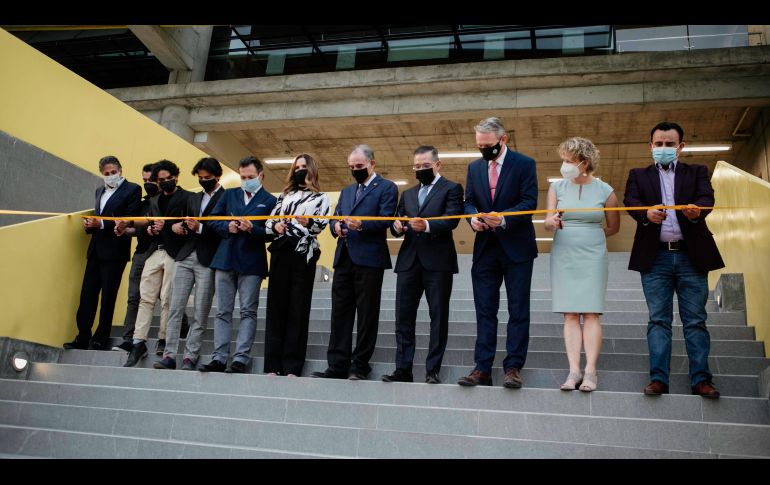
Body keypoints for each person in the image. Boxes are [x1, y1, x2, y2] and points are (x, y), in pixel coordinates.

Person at [624, 121, 725, 398]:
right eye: (659, 144)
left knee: (695, 321)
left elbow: (707, 198)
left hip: (692, 257)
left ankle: (701, 380)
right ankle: (658, 379)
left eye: (670, 144)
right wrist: (646, 213)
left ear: (681, 147)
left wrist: (697, 212)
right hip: (654, 258)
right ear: (651, 146)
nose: (664, 149)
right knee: (658, 320)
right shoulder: (637, 175)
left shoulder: (697, 172)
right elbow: (631, 202)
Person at [458, 117, 538, 388]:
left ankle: (513, 367)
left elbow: (529, 201)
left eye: (488, 145)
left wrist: (502, 218)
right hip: (485, 249)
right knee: (485, 310)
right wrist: (473, 219)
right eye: (479, 145)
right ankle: (482, 368)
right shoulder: (474, 167)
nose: (483, 150)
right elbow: (468, 202)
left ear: (503, 140)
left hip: (517, 247)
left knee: (518, 310)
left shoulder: (525, 164)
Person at [311, 145, 398, 380]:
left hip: (370, 259)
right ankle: (337, 364)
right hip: (344, 258)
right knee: (340, 313)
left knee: (367, 314)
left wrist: (362, 225)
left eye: (359, 166)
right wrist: (335, 227)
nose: (355, 170)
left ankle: (360, 365)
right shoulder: (347, 191)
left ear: (372, 164)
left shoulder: (387, 188)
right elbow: (335, 218)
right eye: (352, 167)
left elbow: (386, 218)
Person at [381, 146, 463, 384]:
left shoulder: (452, 188)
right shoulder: (407, 194)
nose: (421, 170)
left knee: (438, 317)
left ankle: (432, 370)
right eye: (417, 166)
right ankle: (403, 369)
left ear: (438, 165)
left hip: (438, 262)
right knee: (403, 318)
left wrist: (426, 226)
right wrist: (396, 227)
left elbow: (452, 219)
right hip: (408, 262)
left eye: (425, 166)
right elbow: (397, 223)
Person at [544, 137, 619, 392]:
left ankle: (591, 372)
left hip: (593, 252)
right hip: (564, 250)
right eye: (563, 159)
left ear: (584, 162)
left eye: (569, 160)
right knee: (570, 312)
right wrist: (551, 222)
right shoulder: (557, 188)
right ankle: (574, 370)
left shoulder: (605, 190)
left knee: (591, 311)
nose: (564, 165)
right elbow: (547, 221)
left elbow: (613, 227)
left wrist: (591, 237)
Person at [198, 156, 276, 373]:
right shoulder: (230, 194)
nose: (246, 180)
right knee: (223, 311)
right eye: (243, 177)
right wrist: (227, 226)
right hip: (225, 259)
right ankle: (219, 358)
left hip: (252, 262)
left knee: (248, 311)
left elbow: (271, 234)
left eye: (250, 177)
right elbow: (212, 219)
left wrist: (252, 229)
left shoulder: (270, 201)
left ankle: (241, 358)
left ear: (260, 175)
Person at [263, 154, 331, 377]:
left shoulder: (321, 198)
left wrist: (307, 222)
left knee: (298, 309)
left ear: (312, 170)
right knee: (276, 308)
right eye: (297, 167)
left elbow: (320, 225)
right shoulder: (283, 197)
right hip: (281, 250)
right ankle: (272, 365)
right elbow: (270, 222)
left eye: (304, 167)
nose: (300, 170)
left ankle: (292, 366)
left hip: (304, 253)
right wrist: (277, 227)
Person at [154, 157, 225, 370]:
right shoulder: (193, 198)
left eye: (207, 177)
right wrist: (179, 227)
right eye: (200, 177)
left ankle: (190, 356)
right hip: (185, 255)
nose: (204, 180)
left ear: (217, 176)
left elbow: (223, 229)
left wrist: (200, 229)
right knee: (175, 307)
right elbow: (182, 221)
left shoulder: (227, 197)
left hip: (209, 259)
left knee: (200, 311)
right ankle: (169, 355)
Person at [64, 156, 141, 351]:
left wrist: (103, 223)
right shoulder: (99, 190)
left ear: (120, 170)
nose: (109, 176)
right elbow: (99, 216)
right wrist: (91, 224)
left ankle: (101, 338)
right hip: (95, 249)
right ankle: (82, 336)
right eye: (106, 174)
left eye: (112, 172)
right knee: (87, 295)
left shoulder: (132, 189)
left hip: (115, 251)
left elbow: (130, 218)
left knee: (108, 297)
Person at [123, 160, 192, 367]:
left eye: (167, 179)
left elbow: (190, 225)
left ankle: (163, 340)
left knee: (168, 299)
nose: (164, 183)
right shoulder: (155, 200)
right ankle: (138, 342)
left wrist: (170, 226)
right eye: (160, 180)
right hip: (154, 250)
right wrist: (151, 229)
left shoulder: (188, 197)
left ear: (176, 177)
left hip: (175, 252)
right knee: (145, 298)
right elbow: (149, 224)